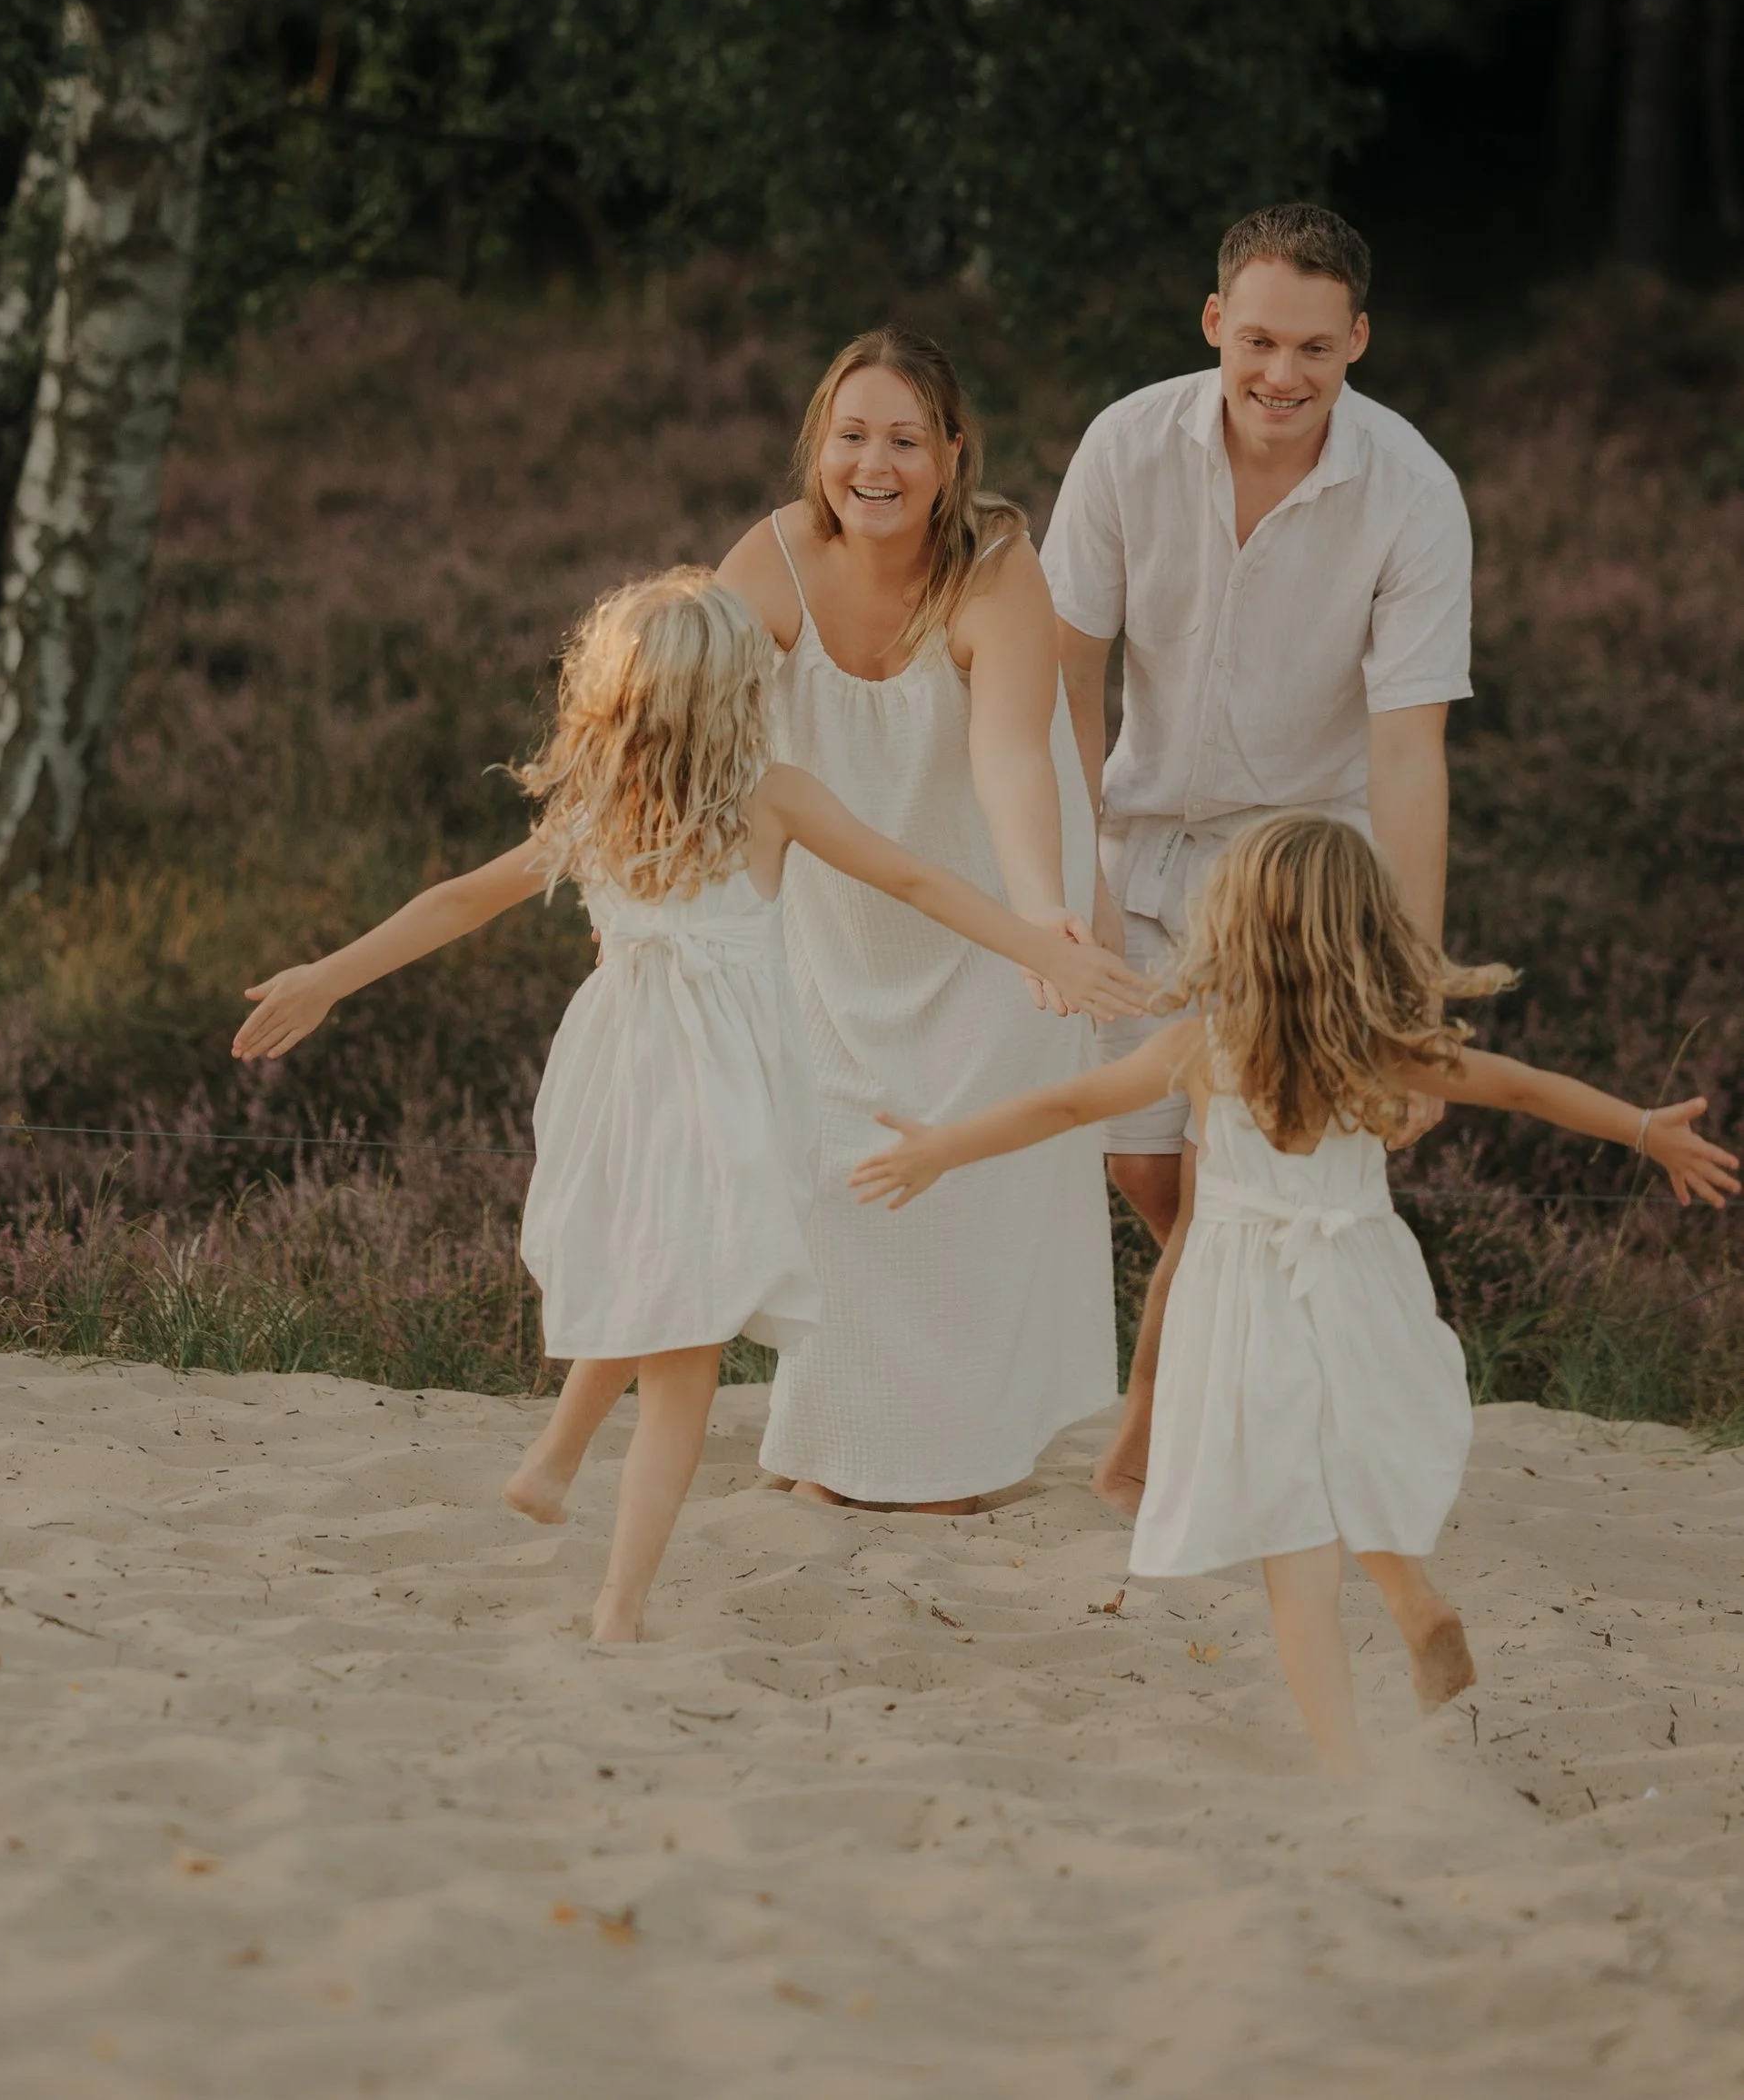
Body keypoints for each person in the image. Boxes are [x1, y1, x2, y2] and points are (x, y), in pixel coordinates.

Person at [233, 565, 1127, 1646]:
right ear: (741, 692)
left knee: (664, 1273)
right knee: (687, 1346)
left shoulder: (598, 808)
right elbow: (914, 882)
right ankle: (618, 1604)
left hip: (617, 1084)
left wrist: (329, 976)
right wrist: (1040, 942)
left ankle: (557, 1458)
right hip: (722, 1099)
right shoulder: (771, 794)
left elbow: (460, 900)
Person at [851, 810, 1738, 1777]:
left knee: (1290, 1537)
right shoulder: (1381, 1047)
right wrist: (1645, 1129)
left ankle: (1344, 1764)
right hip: (1358, 1278)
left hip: (1242, 1299)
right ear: (1365, 931)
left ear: (1233, 923)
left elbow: (1065, 1106)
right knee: (1351, 1456)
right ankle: (1409, 1601)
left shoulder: (1200, 1047)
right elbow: (1524, 1088)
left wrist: (942, 1145)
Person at [1040, 201, 1472, 1511]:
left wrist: (1411, 989)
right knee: (1144, 1161)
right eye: (1262, 339)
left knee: (1248, 1154)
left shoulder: (1413, 493)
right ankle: (1299, 1335)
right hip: (1138, 838)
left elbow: (1409, 755)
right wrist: (1080, 883)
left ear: (1359, 341)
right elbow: (1065, 682)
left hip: (1304, 871)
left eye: (1318, 348)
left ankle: (1151, 1433)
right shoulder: (1126, 444)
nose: (1285, 375)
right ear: (1217, 321)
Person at [721, 330, 1147, 1512]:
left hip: (993, 898)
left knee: (959, 1176)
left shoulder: (997, 567)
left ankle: (955, 1463)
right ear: (820, 445)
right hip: (841, 905)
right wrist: (660, 892)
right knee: (838, 1162)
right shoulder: (772, 556)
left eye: (906, 438)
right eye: (852, 435)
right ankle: (835, 1443)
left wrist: (1044, 917)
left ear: (952, 455)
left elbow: (1015, 754)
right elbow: (692, 724)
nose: (876, 462)